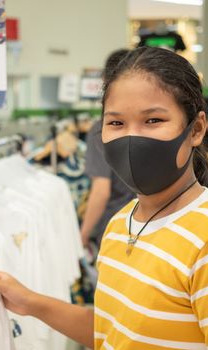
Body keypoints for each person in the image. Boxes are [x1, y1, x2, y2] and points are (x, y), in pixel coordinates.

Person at [0, 47, 208, 350]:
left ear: (196, 129)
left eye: (153, 120)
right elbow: (111, 330)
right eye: (116, 123)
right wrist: (31, 302)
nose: (131, 138)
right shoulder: (123, 222)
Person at [81, 49, 135, 247]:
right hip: (153, 225)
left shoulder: (102, 129)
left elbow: (100, 191)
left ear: (105, 81)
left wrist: (83, 234)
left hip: (115, 229)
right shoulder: (151, 127)